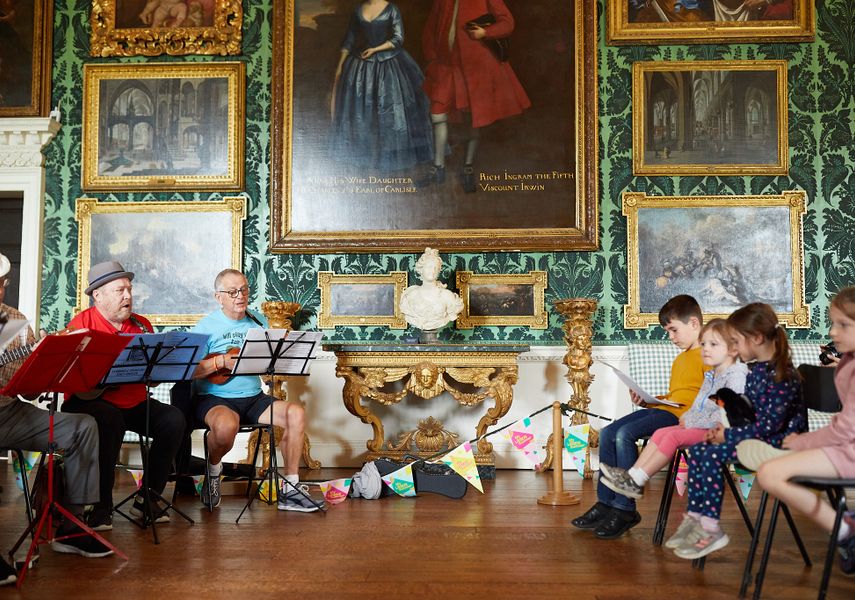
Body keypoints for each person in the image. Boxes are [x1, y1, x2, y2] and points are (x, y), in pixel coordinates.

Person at [0, 254, 111, 586]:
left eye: (1, 285)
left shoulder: (15, 321)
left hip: (7, 412)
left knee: (81, 427)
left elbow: (29, 390)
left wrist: (42, 362)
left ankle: (72, 527)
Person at [668, 302, 805, 560]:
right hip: (757, 439)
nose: (734, 348)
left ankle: (711, 528)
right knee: (699, 450)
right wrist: (723, 427)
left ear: (756, 338)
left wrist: (727, 436)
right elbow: (749, 415)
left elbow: (768, 428)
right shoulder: (756, 372)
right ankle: (697, 519)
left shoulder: (782, 375)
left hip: (778, 445)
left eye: (736, 341)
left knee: (709, 455)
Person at [736, 287, 855, 575]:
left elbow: (845, 429)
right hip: (846, 445)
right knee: (769, 469)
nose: (832, 332)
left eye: (843, 325)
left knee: (770, 472)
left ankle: (845, 531)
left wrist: (802, 442)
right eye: (833, 322)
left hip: (849, 448)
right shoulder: (848, 361)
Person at [61, 261, 186, 530]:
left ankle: (147, 498)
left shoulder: (141, 325)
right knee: (110, 420)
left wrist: (164, 366)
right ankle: (100, 507)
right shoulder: (80, 324)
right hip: (87, 402)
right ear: (98, 295)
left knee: (173, 419)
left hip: (132, 401)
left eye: (129, 289)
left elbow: (153, 375)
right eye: (120, 290)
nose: (128, 296)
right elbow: (72, 379)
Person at [571, 294, 706, 539]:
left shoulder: (709, 356)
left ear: (694, 324)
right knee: (608, 433)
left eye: (674, 330)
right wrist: (650, 399)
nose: (671, 337)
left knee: (625, 434)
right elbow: (679, 393)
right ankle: (606, 502)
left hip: (682, 418)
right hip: (666, 409)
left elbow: (710, 394)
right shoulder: (680, 359)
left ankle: (625, 509)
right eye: (668, 332)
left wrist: (691, 411)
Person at [191, 268, 322, 512]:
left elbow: (267, 366)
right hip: (216, 398)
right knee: (226, 427)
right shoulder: (205, 326)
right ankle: (213, 470)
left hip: (253, 398)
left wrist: (276, 358)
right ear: (218, 296)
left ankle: (290, 489)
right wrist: (221, 362)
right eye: (232, 292)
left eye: (243, 290)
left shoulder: (257, 323)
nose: (240, 296)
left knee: (296, 413)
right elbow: (189, 370)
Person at [599, 318, 748, 502]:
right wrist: (689, 416)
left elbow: (726, 414)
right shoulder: (711, 375)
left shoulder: (737, 375)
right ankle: (631, 477)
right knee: (660, 433)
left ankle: (638, 479)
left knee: (672, 436)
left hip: (720, 431)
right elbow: (698, 404)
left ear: (733, 349)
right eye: (703, 344)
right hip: (701, 426)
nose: (706, 349)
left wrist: (692, 420)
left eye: (713, 344)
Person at [420, 0, 531, 192]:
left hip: (473, 69)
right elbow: (430, 29)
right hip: (446, 68)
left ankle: (468, 167)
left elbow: (507, 22)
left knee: (473, 120)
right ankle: (438, 168)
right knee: (437, 115)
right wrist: (431, 60)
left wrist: (485, 33)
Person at [329, 0, 433, 172]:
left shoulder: (392, 9)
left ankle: (390, 162)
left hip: (389, 64)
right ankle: (366, 161)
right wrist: (340, 66)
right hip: (361, 66)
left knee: (390, 112)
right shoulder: (358, 10)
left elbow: (398, 38)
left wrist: (375, 49)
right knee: (363, 113)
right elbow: (350, 38)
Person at [399, 247, 463, 331]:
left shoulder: (447, 296)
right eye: (429, 267)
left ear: (439, 270)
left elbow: (452, 314)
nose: (432, 271)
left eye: (435, 268)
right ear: (421, 269)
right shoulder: (410, 295)